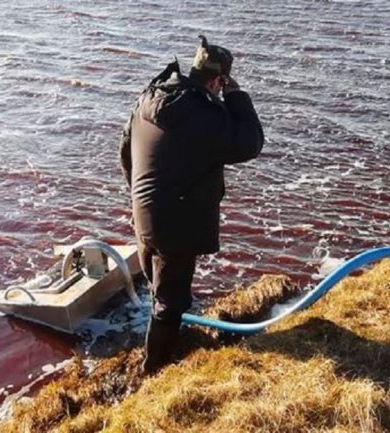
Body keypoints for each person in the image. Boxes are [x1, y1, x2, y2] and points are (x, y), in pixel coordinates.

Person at [119, 35, 264, 373]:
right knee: (172, 302)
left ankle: (158, 342)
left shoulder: (150, 96)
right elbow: (249, 143)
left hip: (144, 213)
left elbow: (125, 151)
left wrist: (139, 196)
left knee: (160, 289)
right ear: (217, 81)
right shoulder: (202, 114)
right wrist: (238, 96)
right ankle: (155, 368)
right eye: (222, 85)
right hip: (176, 225)